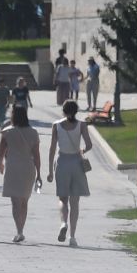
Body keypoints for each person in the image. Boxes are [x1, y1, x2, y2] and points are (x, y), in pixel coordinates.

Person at [47, 100, 93, 246]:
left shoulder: (56, 125)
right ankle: (72, 237)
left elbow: (52, 149)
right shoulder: (81, 125)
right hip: (76, 163)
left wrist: (49, 171)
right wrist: (82, 151)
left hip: (62, 162)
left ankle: (62, 223)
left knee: (62, 198)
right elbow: (89, 145)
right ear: (76, 111)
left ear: (63, 111)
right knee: (75, 202)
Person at [0, 96, 43, 242]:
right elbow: (36, 155)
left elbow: (1, 152)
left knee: (15, 201)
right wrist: (39, 173)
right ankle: (21, 229)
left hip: (12, 167)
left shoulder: (6, 132)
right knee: (24, 201)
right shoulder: (34, 132)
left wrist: (1, 164)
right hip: (28, 167)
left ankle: (19, 230)